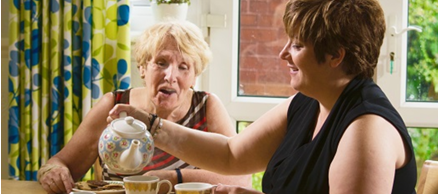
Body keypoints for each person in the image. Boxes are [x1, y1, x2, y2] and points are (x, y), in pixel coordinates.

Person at [108, 0, 418, 193]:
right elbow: (231, 154)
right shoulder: (310, 103)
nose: (283, 53)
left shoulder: (366, 130)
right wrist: (149, 124)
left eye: (297, 45)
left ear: (336, 55)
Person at [37, 20, 251, 194]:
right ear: (142, 67)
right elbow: (61, 163)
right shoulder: (115, 105)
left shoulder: (206, 107)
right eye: (161, 63)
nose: (170, 76)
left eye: (183, 67)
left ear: (195, 76)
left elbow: (242, 177)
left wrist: (174, 177)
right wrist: (54, 171)